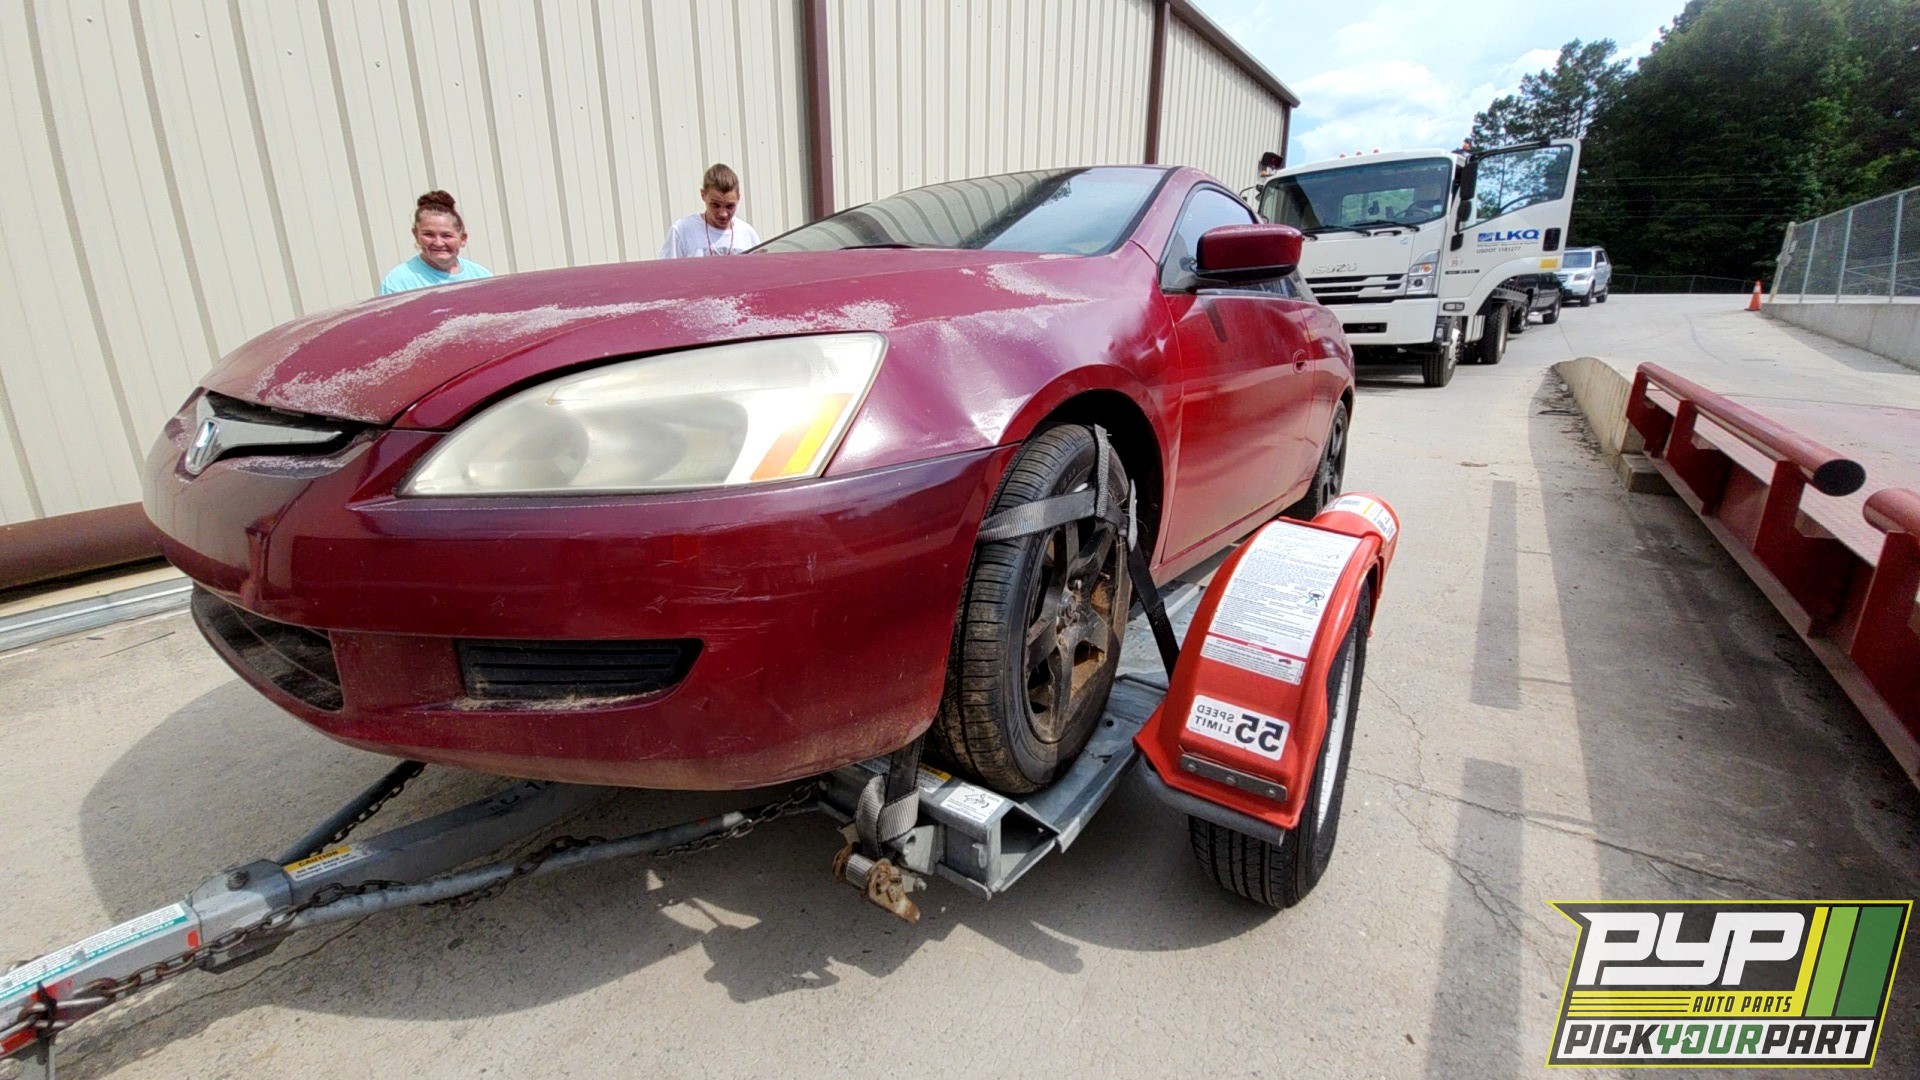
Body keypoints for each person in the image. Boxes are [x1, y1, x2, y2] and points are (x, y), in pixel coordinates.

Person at [379, 190, 493, 295]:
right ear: (416, 235)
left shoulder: (481, 276)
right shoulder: (399, 283)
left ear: (462, 239)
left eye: (446, 235)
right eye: (428, 234)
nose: (438, 243)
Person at [660, 163, 760, 258]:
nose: (723, 214)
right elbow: (665, 272)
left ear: (738, 197)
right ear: (703, 195)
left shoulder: (748, 234)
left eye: (730, 206)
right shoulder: (682, 231)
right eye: (715, 205)